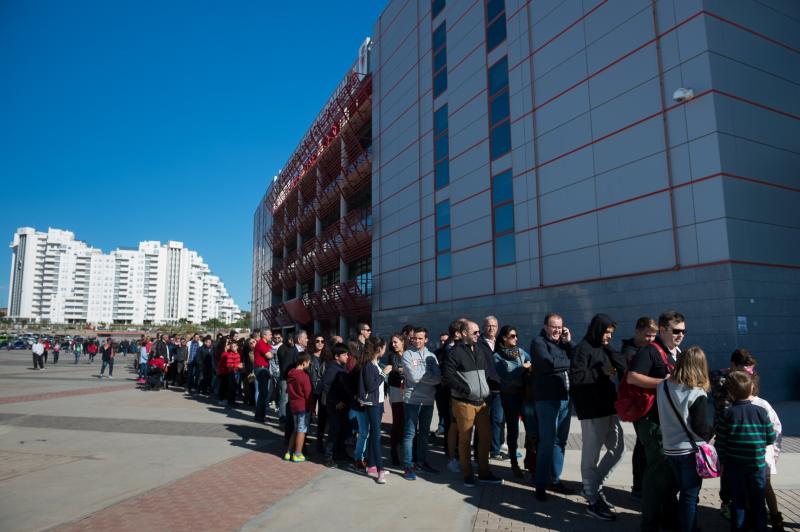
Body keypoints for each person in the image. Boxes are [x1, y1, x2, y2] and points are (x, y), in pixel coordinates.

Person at [627, 310, 685, 531]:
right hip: (653, 422)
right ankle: (649, 522)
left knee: (667, 474)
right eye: (676, 331)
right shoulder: (650, 352)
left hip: (670, 422)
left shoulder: (676, 353)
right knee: (655, 473)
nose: (680, 335)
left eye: (683, 331)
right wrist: (663, 381)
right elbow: (633, 377)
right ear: (663, 329)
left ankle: (668, 518)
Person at [569, 314, 626, 520]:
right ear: (596, 329)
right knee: (591, 455)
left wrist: (609, 348)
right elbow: (576, 377)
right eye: (606, 332)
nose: (608, 336)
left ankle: (592, 485)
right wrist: (601, 373)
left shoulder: (604, 347)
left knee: (618, 448)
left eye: (611, 333)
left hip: (609, 407)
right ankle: (592, 499)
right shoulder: (582, 349)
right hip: (592, 409)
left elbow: (622, 365)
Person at [656, 346, 712, 532]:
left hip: (670, 448)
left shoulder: (662, 386)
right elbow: (700, 427)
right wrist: (712, 434)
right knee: (690, 496)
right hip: (690, 451)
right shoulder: (696, 392)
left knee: (674, 492)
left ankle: (675, 524)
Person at [716, 370, 777, 532]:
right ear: (751, 389)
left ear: (730, 392)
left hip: (735, 468)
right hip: (757, 467)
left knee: (738, 504)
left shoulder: (727, 414)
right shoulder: (760, 411)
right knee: (758, 504)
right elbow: (771, 438)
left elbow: (720, 442)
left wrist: (723, 461)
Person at [444, 320, 502, 487]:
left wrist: (493, 387)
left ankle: (484, 473)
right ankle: (468, 474)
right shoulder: (454, 352)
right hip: (463, 403)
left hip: (482, 402)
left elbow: (488, 373)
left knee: (485, 438)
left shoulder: (480, 350)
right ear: (464, 334)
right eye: (475, 332)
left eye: (478, 332)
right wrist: (467, 390)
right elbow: (448, 376)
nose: (478, 335)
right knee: (465, 439)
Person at [530, 312, 575, 500]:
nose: (557, 330)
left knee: (560, 442)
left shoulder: (562, 345)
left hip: (565, 398)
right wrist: (570, 362)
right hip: (547, 400)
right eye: (553, 326)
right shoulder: (539, 343)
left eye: (559, 327)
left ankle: (554, 480)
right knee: (547, 443)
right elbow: (548, 364)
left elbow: (575, 358)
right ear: (546, 327)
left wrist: (569, 343)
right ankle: (540, 484)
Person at [710, 347, 757, 518]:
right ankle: (727, 502)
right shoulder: (720, 379)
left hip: (743, 428)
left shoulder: (724, 376)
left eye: (751, 370)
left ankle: (742, 501)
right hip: (727, 429)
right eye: (745, 369)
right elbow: (724, 407)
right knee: (727, 468)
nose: (749, 373)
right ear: (733, 365)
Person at [620, 316, 658, 497]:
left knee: (644, 445)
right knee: (643, 445)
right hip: (638, 404)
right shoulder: (630, 352)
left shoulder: (652, 348)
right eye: (648, 335)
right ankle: (639, 486)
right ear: (637, 331)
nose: (651, 339)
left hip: (650, 403)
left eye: (653, 336)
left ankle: (642, 485)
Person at [401, 327, 441, 480]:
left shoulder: (432, 356)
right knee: (410, 434)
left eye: (420, 338)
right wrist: (429, 375)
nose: (417, 341)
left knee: (424, 434)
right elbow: (413, 377)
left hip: (428, 401)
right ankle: (408, 465)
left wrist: (424, 376)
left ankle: (422, 462)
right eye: (414, 338)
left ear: (426, 339)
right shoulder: (407, 354)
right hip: (412, 400)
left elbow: (438, 379)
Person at [494, 325, 532, 478]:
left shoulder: (520, 352)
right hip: (509, 396)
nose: (516, 338)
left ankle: (530, 459)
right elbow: (506, 376)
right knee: (513, 431)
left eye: (516, 336)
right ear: (504, 338)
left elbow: (531, 361)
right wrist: (522, 368)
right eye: (512, 336)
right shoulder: (497, 356)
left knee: (531, 428)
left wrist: (528, 367)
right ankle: (514, 463)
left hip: (525, 395)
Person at [751, 376, 785, 532]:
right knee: (760, 488)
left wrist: (774, 454)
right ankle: (764, 517)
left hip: (761, 456)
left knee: (765, 488)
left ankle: (775, 517)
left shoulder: (762, 404)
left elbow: (776, 430)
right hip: (756, 457)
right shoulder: (737, 405)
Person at [360, 336, 390, 484]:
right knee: (377, 436)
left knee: (374, 434)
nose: (385, 349)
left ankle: (371, 465)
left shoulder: (376, 364)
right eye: (384, 347)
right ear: (379, 349)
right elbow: (371, 386)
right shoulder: (368, 366)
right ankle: (380, 469)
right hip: (372, 404)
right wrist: (384, 373)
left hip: (378, 404)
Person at [322, 343, 351, 467]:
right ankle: (328, 456)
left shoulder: (341, 367)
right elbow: (327, 387)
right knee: (334, 431)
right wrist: (336, 401)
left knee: (343, 430)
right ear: (336, 356)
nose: (347, 357)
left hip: (343, 405)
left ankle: (340, 453)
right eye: (344, 355)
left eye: (347, 354)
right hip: (334, 406)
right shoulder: (332, 369)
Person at [479, 316, 504, 460]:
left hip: (499, 388)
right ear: (483, 327)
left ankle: (495, 450)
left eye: (494, 326)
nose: (491, 328)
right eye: (488, 326)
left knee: (497, 420)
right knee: (482, 420)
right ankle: (481, 450)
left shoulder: (501, 342)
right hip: (484, 387)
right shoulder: (479, 343)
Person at [285, 353, 313, 463]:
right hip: (303, 406)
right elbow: (308, 394)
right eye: (308, 361)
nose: (309, 363)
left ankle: (289, 452)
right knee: (302, 430)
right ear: (304, 362)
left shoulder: (291, 373)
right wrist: (311, 407)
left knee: (296, 429)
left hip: (294, 405)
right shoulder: (303, 376)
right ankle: (297, 453)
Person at [386, 334, 406, 466]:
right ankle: (394, 451)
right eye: (392, 342)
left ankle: (405, 450)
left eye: (396, 342)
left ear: (402, 342)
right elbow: (396, 371)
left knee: (407, 421)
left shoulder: (409, 354)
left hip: (408, 390)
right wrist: (403, 370)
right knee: (398, 421)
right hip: (397, 390)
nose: (394, 344)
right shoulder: (392, 356)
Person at [309, 334, 330, 452]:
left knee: (323, 416)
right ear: (314, 342)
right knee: (309, 415)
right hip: (311, 388)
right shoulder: (309, 357)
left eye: (322, 341)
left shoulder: (327, 357)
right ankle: (303, 439)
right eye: (317, 341)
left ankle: (319, 441)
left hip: (323, 390)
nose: (320, 343)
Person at [253, 330, 274, 423]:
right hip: (261, 369)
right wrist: (272, 353)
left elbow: (272, 350)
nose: (271, 336)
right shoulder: (261, 343)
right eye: (270, 334)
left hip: (263, 369)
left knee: (263, 394)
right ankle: (260, 416)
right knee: (263, 394)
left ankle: (260, 415)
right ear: (264, 335)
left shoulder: (266, 344)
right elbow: (270, 355)